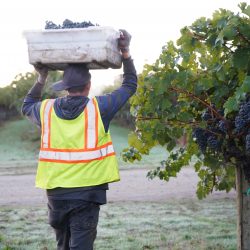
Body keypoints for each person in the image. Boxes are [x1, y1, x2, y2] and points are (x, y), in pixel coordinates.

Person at [22, 29, 137, 250]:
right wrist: (125, 52)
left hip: (56, 195)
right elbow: (130, 85)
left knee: (62, 246)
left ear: (65, 89)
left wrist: (41, 78)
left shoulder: (46, 110)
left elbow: (26, 105)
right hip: (87, 195)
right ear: (88, 86)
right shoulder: (99, 108)